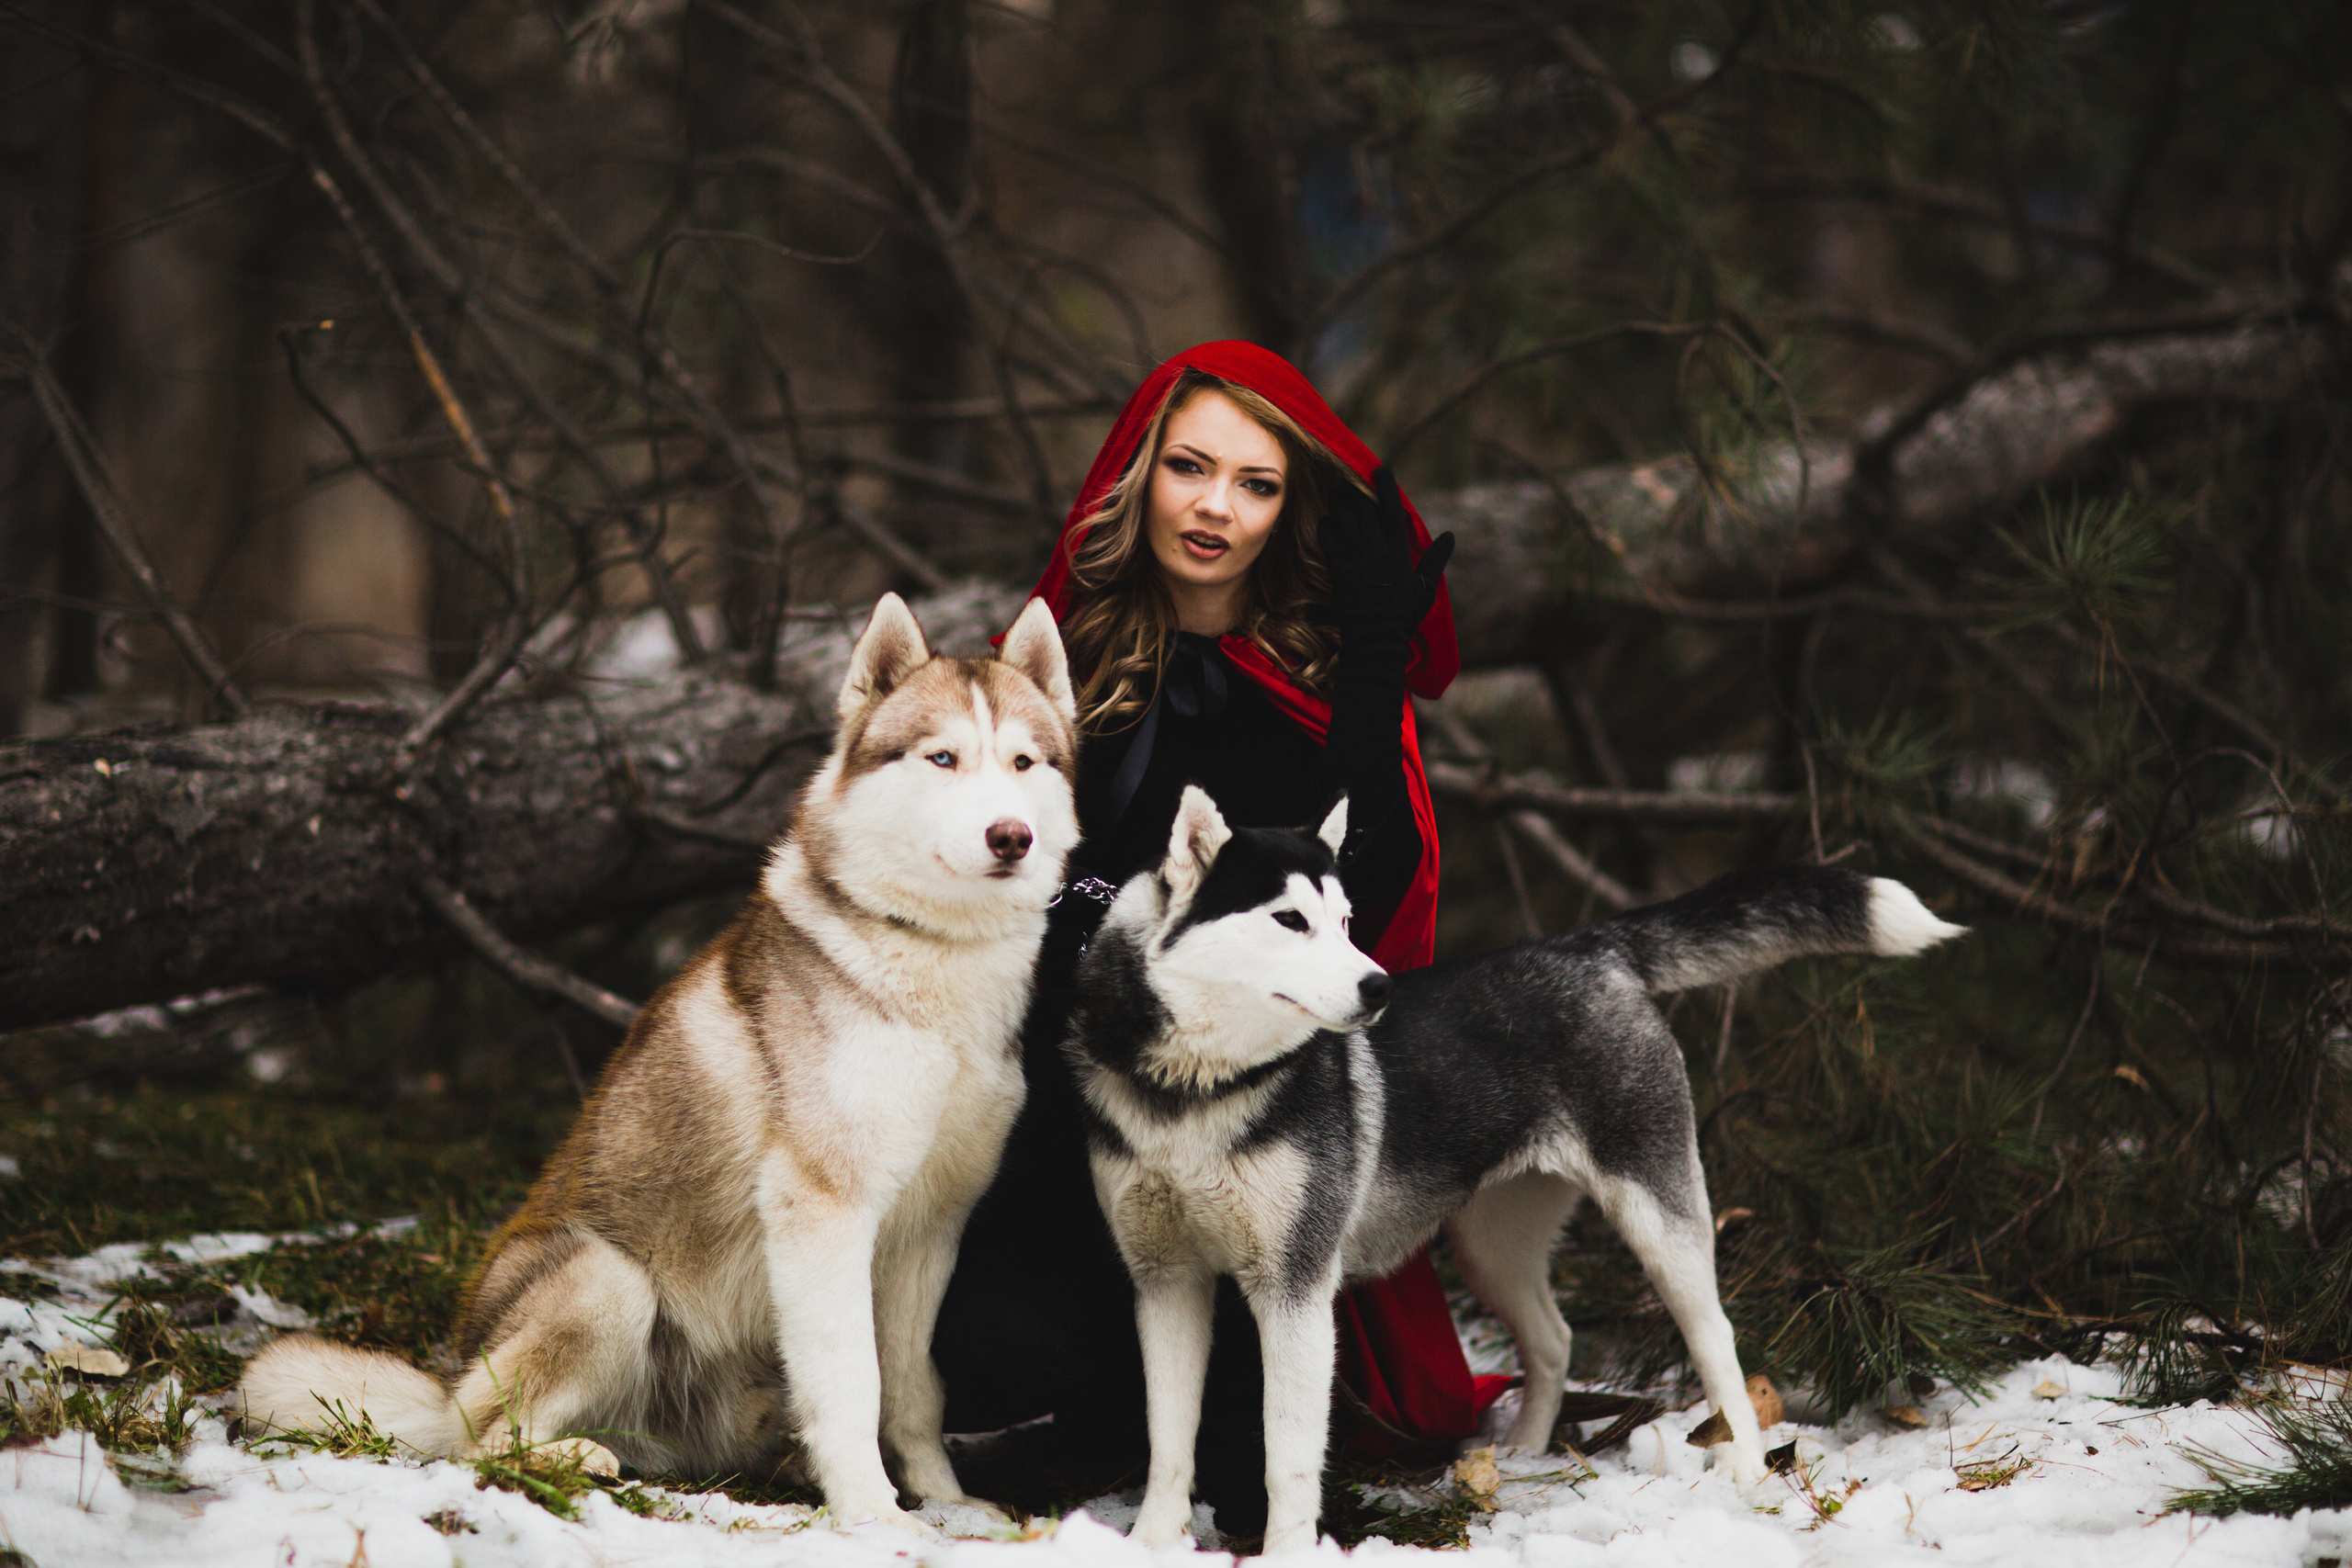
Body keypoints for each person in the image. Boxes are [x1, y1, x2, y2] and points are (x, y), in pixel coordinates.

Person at [933, 342, 1504, 1533]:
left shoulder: (1315, 676)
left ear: (1289, 507)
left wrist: (1375, 657)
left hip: (1232, 1099)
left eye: (1255, 482)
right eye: (1189, 467)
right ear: (1139, 475)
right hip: (1047, 1087)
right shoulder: (1069, 655)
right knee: (978, 1352)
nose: (1213, 506)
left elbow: (1365, 880)